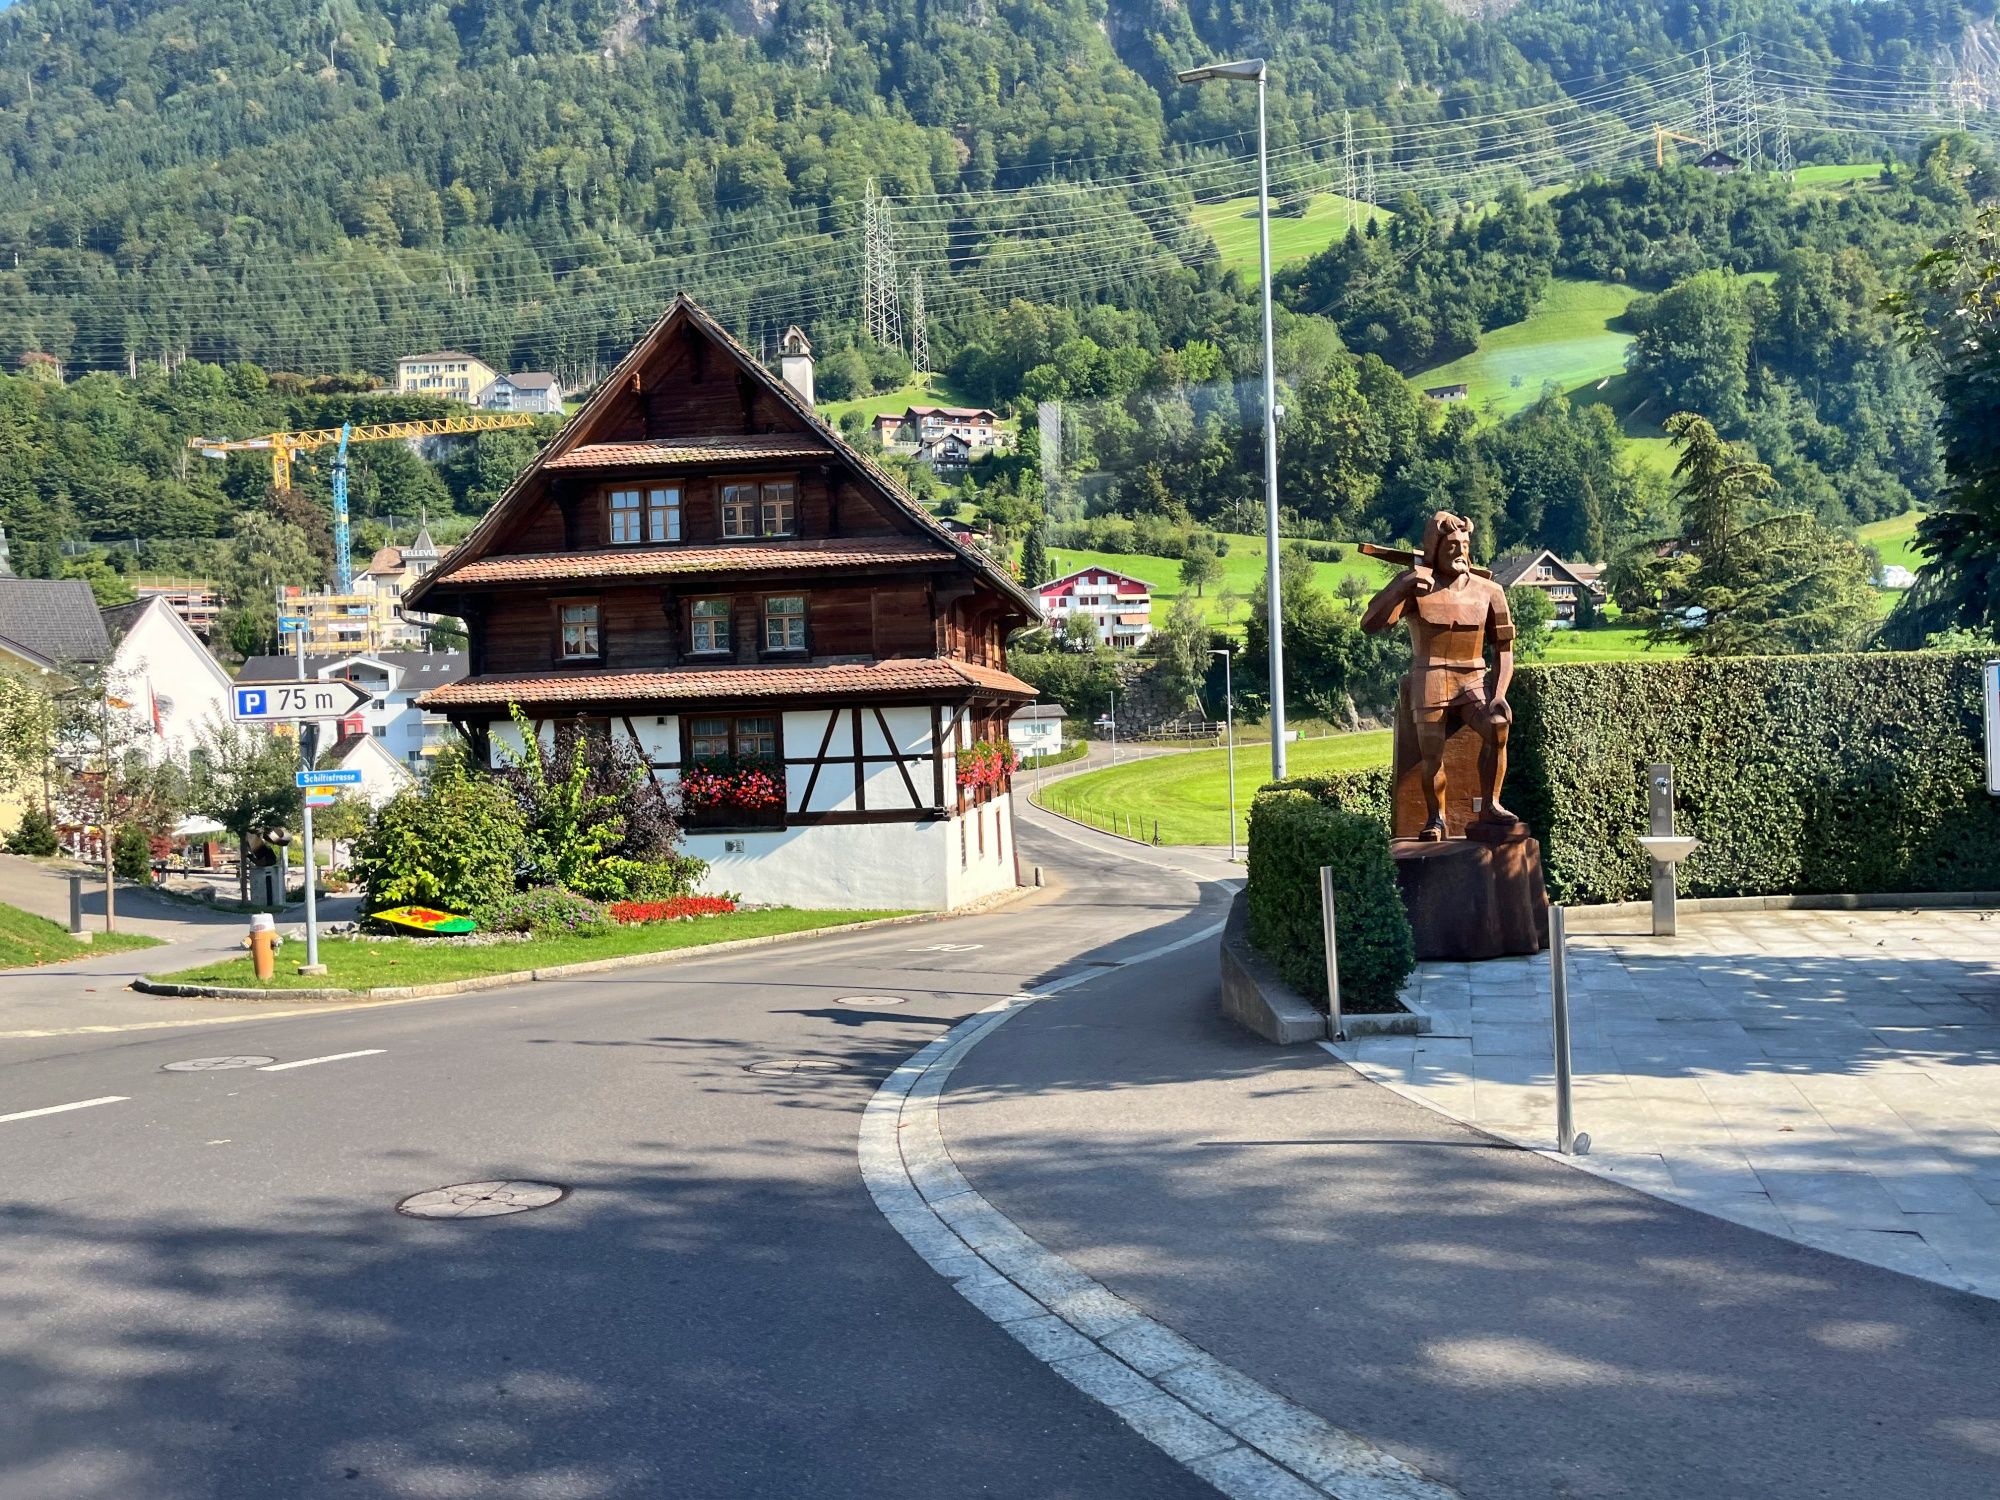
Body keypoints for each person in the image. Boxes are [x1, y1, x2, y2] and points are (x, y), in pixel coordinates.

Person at [1359, 511, 1517, 840]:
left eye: (1464, 544)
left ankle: (1491, 804)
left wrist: (1499, 694)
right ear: (1435, 549)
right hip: (1430, 676)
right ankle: (1437, 818)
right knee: (1431, 752)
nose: (1460, 550)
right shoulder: (1418, 589)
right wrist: (1401, 585)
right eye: (1452, 545)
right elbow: (1370, 623)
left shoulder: (1489, 591)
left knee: (1498, 728)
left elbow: (1503, 649)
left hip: (1473, 677)